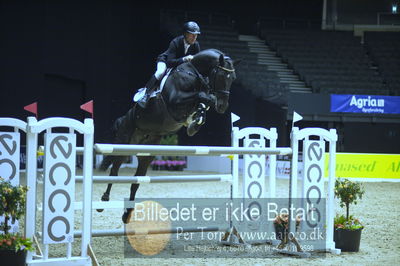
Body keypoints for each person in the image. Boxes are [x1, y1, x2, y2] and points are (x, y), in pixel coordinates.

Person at [136, 21, 201, 108]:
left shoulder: (196, 45)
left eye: (196, 35)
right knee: (160, 72)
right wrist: (184, 59)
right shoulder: (176, 42)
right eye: (192, 34)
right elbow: (170, 63)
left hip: (181, 66)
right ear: (185, 34)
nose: (194, 37)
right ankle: (145, 94)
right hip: (165, 61)